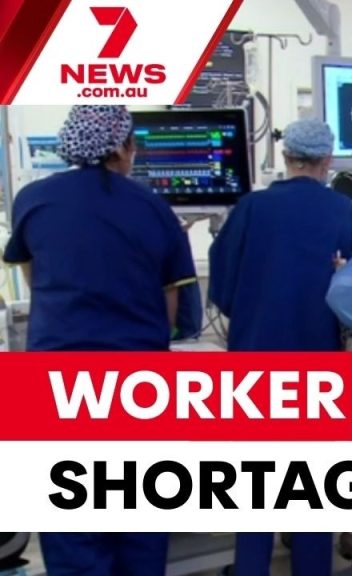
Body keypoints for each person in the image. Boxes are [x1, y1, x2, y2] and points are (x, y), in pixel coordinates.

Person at [2, 105, 195, 574]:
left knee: (70, 515)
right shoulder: (152, 207)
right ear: (124, 148)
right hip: (135, 385)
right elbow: (171, 306)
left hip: (57, 385)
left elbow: (34, 278)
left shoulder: (34, 200)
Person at [207, 118, 352, 576]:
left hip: (254, 364)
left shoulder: (251, 208)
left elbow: (221, 287)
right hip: (317, 364)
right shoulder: (344, 213)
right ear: (327, 160)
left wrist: (255, 314)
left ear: (286, 157)